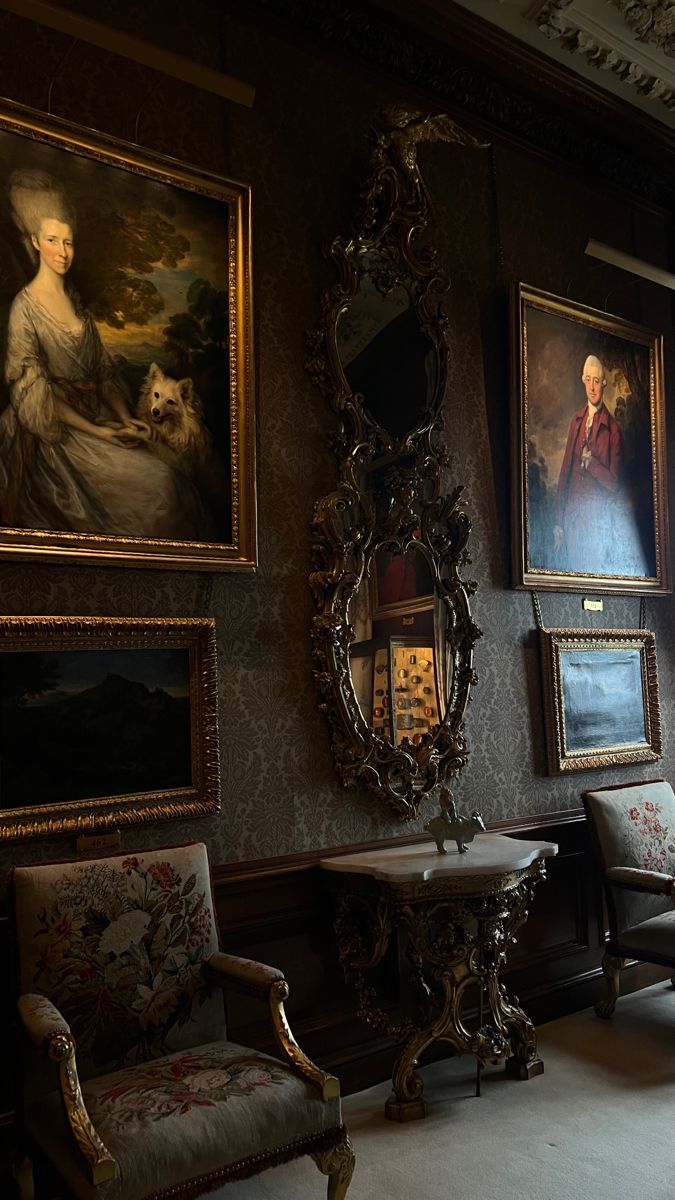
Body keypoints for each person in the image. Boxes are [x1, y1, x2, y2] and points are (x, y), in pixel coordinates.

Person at [0, 169, 212, 540]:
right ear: (35, 241)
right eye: (53, 240)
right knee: (156, 489)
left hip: (98, 418)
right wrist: (99, 430)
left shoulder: (76, 304)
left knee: (169, 481)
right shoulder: (25, 308)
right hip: (58, 435)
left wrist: (125, 418)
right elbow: (39, 396)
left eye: (69, 242)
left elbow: (102, 372)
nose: (63, 252)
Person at [553, 354, 623, 574]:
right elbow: (564, 473)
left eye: (596, 381)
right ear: (583, 381)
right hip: (572, 520)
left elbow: (614, 484)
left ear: (603, 384)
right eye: (588, 380)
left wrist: (592, 464)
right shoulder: (576, 421)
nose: (592, 387)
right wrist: (558, 522)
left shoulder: (613, 430)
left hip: (597, 524)